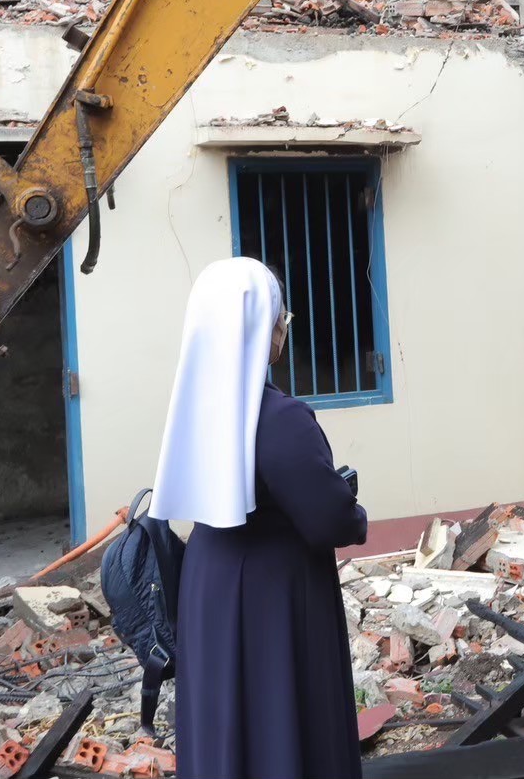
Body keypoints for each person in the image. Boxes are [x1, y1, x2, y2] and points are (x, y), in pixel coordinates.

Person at [150, 258, 369, 779]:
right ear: (263, 330)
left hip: (208, 582)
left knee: (223, 719)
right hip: (275, 591)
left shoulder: (192, 407)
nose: (283, 331)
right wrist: (354, 512)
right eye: (281, 319)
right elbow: (328, 520)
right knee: (282, 714)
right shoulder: (277, 417)